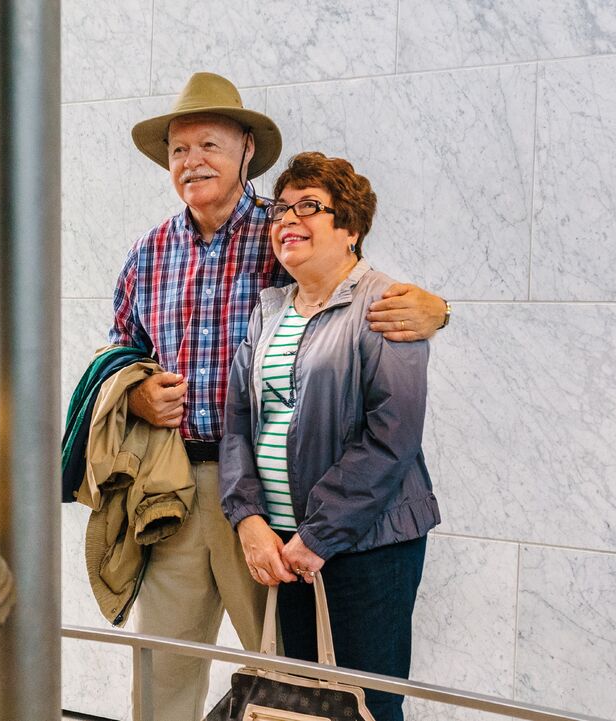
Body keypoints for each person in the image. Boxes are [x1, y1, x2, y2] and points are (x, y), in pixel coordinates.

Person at [110, 72, 448, 721]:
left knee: (292, 671)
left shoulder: (284, 233)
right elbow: (116, 350)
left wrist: (440, 308)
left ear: (245, 151)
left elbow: (363, 295)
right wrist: (135, 395)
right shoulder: (148, 253)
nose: (192, 161)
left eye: (208, 144)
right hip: (174, 483)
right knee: (163, 665)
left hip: (270, 500)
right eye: (179, 150)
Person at [219, 151, 441, 721]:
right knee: (304, 707)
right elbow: (239, 421)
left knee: (364, 706)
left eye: (309, 206)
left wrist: (318, 537)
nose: (287, 219)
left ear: (352, 228)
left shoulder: (385, 305)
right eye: (280, 210)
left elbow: (391, 438)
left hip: (365, 548)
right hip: (284, 545)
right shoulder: (269, 310)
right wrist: (248, 520)